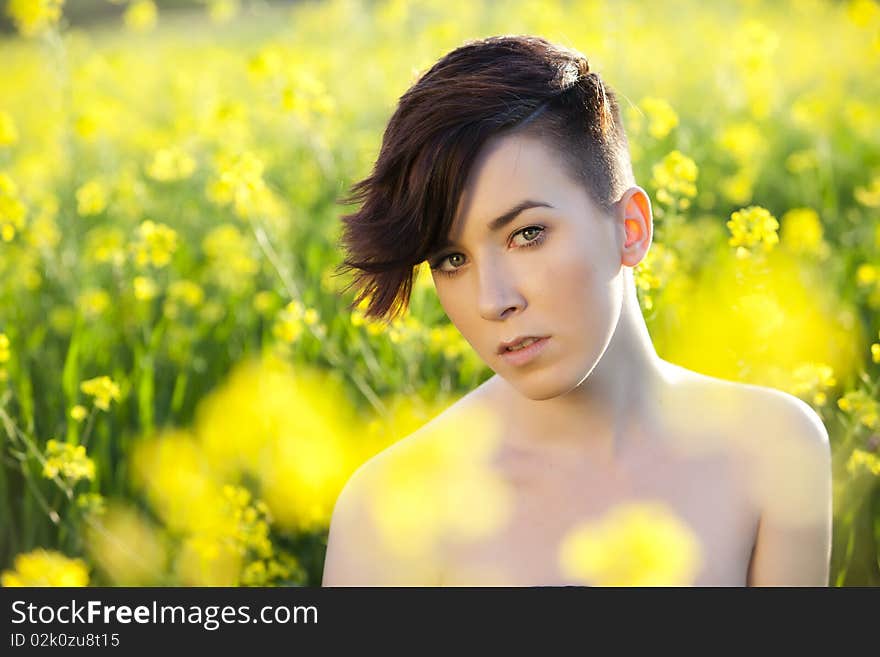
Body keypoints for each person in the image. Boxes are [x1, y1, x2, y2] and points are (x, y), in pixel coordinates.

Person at [321, 35, 832, 586]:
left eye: (527, 233)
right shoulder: (392, 509)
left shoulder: (772, 449)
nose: (493, 300)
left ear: (630, 228)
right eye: (450, 259)